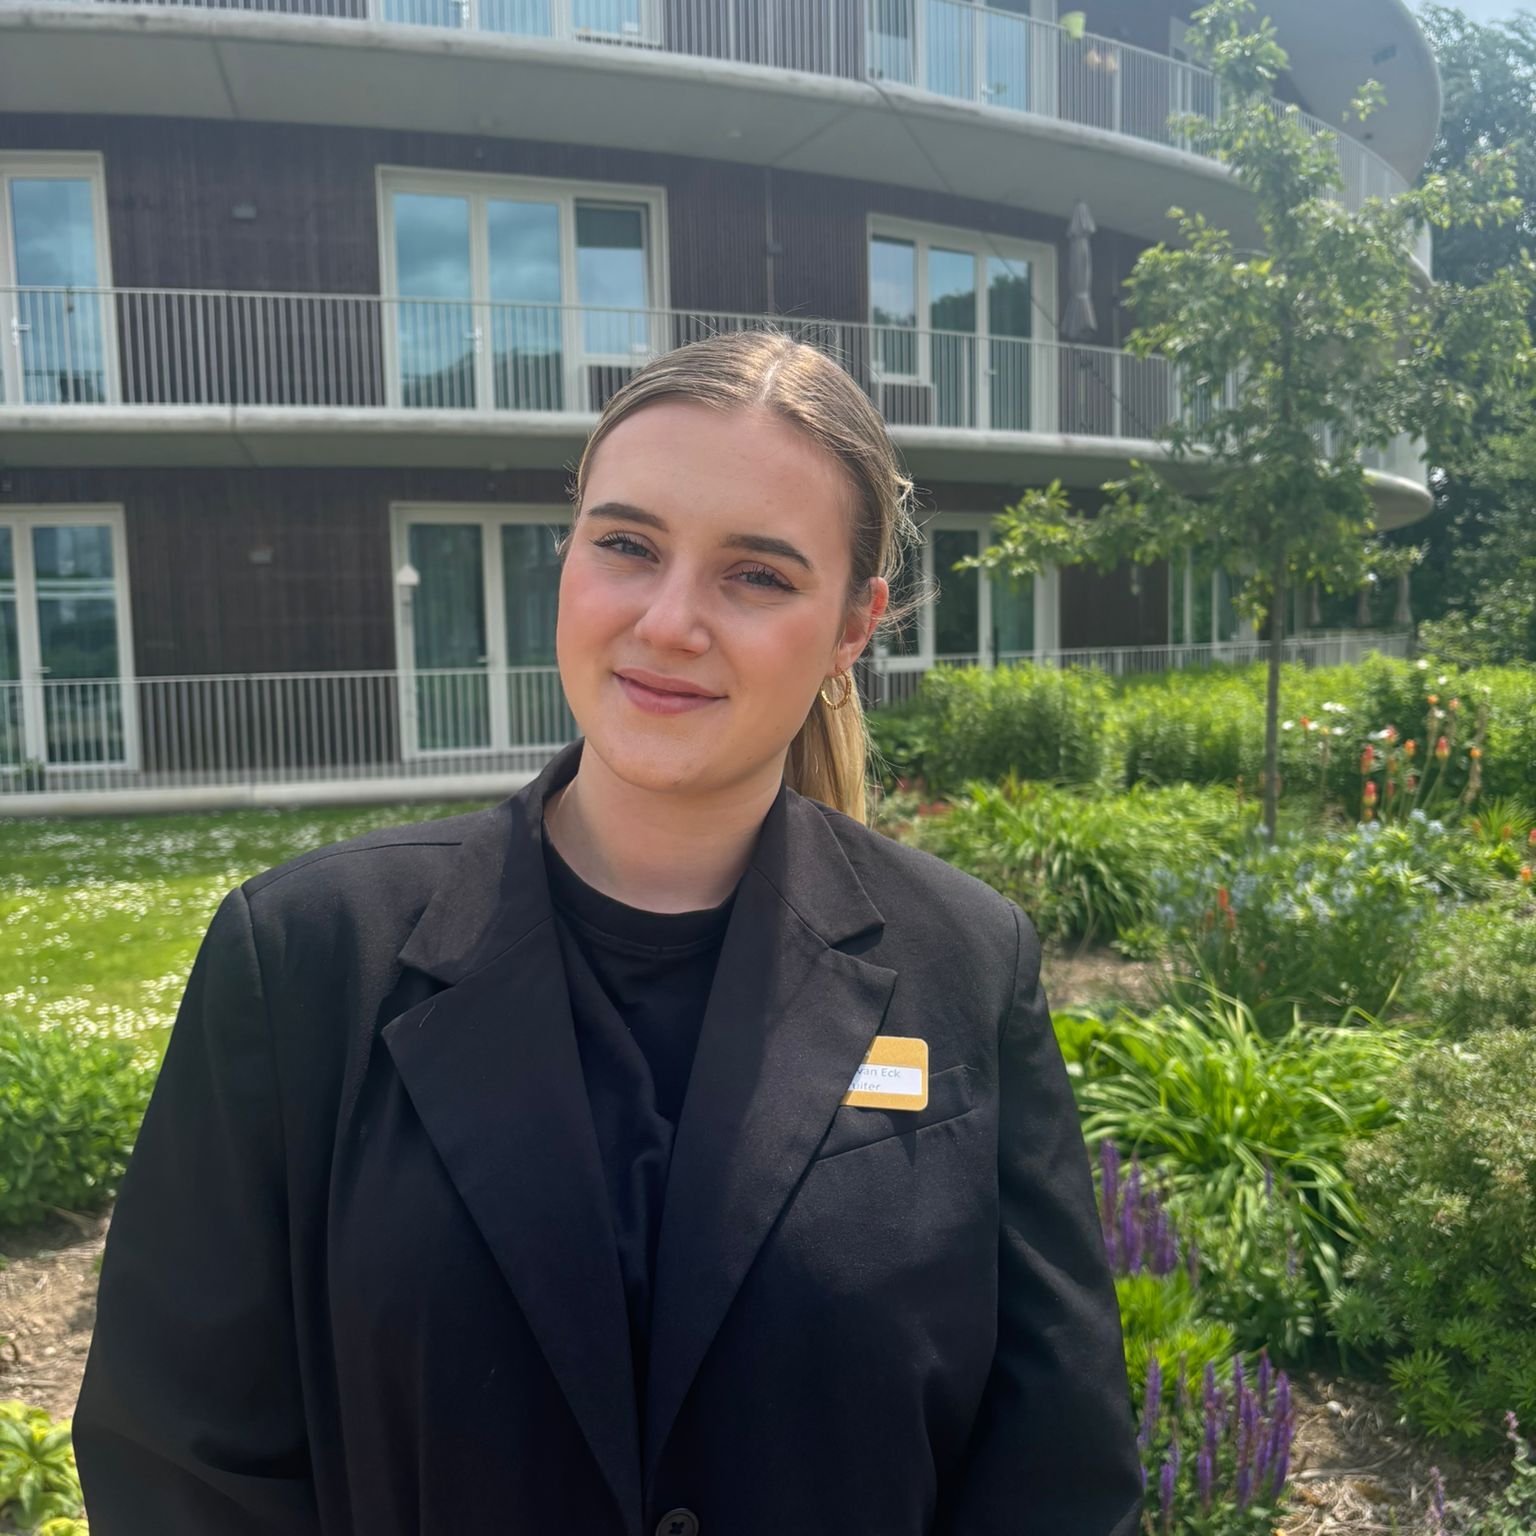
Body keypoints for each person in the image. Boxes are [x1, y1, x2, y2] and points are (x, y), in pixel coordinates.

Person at [72, 329, 1143, 1536]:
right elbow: (180, 1465)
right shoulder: (305, 959)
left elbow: (1057, 1475)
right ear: (570, 555)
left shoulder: (966, 962)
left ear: (853, 629)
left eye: (758, 575)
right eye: (627, 545)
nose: (670, 621)